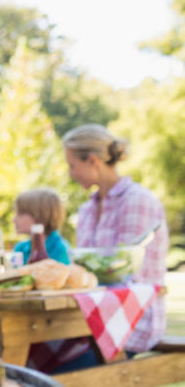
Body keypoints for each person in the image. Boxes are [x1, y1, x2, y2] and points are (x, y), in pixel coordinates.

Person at [63, 124, 169, 353]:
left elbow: (129, 271)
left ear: (93, 161)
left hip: (131, 322)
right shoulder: (87, 209)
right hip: (90, 320)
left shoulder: (137, 200)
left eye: (73, 166)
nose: (71, 173)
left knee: (44, 374)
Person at [12, 188, 71, 265]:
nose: (13, 219)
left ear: (39, 215)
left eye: (19, 214)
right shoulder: (20, 248)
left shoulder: (60, 248)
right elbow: (15, 272)